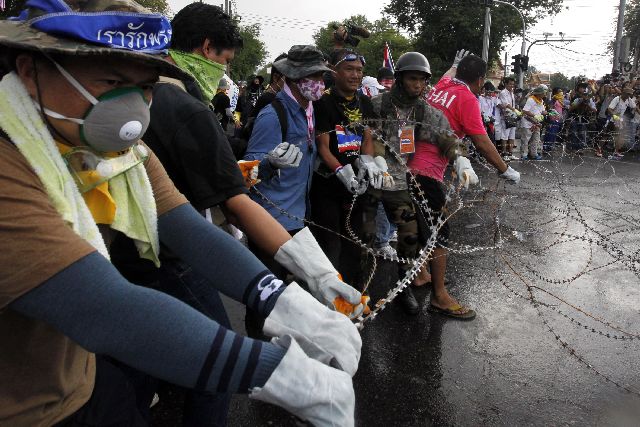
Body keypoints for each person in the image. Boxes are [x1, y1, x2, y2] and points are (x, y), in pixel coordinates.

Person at [0, 1, 359, 426]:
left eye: (145, 86)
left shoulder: (119, 151)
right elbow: (102, 308)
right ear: (30, 70)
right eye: (112, 81)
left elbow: (185, 225)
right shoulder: (9, 163)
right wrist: (283, 375)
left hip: (76, 380)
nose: (133, 110)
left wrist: (287, 300)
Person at [424, 51, 520, 319]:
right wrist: (505, 169)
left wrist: (453, 65)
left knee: (420, 221)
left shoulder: (443, 86)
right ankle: (440, 297)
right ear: (479, 80)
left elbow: (446, 74)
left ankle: (421, 274)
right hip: (428, 167)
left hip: (411, 159)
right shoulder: (467, 97)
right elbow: (481, 140)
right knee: (440, 229)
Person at [310, 49, 387, 291]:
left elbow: (367, 137)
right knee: (330, 243)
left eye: (359, 71)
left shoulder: (365, 102)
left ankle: (352, 292)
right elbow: (323, 146)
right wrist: (340, 171)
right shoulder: (323, 102)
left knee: (355, 243)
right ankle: (329, 296)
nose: (355, 75)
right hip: (328, 182)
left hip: (358, 183)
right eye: (349, 69)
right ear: (335, 71)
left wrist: (367, 161)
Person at [607, 86, 637, 159]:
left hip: (619, 120)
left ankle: (616, 152)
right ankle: (599, 150)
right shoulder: (617, 99)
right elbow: (609, 109)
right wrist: (615, 116)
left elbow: (634, 107)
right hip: (612, 120)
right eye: (627, 94)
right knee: (606, 135)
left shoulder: (628, 100)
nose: (628, 96)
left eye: (630, 94)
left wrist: (629, 114)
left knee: (620, 136)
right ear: (623, 93)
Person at [520, 85, 548, 160]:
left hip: (536, 123)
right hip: (528, 122)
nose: (545, 94)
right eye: (544, 93)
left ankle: (534, 154)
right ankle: (524, 155)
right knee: (526, 139)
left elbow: (542, 111)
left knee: (536, 139)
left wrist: (549, 112)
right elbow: (525, 111)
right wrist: (535, 116)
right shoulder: (531, 100)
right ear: (539, 93)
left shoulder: (541, 100)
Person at [568, 81, 596, 153]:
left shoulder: (590, 100)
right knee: (574, 133)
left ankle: (580, 148)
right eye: (583, 95)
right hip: (575, 118)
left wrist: (588, 105)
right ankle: (573, 148)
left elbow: (594, 110)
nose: (585, 96)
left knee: (582, 134)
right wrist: (579, 103)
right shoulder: (577, 99)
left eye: (586, 95)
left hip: (584, 119)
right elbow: (570, 108)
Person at [496, 77, 517, 160]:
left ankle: (510, 153)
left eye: (513, 84)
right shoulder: (503, 93)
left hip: (513, 116)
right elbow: (506, 104)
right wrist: (515, 110)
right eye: (510, 84)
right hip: (506, 116)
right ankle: (504, 154)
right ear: (506, 84)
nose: (512, 85)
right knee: (505, 135)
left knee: (512, 135)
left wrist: (515, 112)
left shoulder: (511, 93)